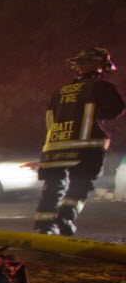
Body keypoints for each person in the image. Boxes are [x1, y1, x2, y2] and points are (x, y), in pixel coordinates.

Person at [33, 48, 125, 236]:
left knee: (53, 187)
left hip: (54, 147)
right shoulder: (100, 87)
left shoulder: (59, 92)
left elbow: (50, 120)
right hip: (86, 148)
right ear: (100, 67)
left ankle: (44, 226)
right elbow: (115, 110)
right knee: (81, 184)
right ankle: (65, 217)